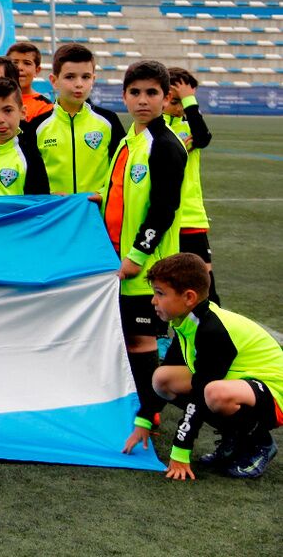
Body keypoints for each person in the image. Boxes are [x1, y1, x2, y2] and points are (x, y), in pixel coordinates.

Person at [104, 60, 187, 450]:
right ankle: (141, 409)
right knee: (127, 338)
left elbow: (164, 208)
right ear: (124, 96)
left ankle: (151, 415)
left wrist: (138, 255)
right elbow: (124, 197)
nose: (142, 100)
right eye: (135, 92)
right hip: (119, 262)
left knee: (141, 341)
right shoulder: (127, 141)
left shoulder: (165, 145)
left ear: (166, 97)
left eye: (152, 93)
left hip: (146, 267)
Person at [141, 254, 283, 480]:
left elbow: (200, 392)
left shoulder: (212, 331)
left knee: (213, 393)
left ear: (189, 297)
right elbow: (171, 374)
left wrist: (180, 451)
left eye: (160, 293)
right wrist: (144, 420)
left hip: (275, 392)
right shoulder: (186, 322)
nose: (153, 300)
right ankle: (234, 437)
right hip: (240, 383)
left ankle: (261, 443)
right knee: (163, 379)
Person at [29, 43, 125, 195]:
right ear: (54, 81)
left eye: (85, 77)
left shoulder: (108, 121)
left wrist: (104, 194)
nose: (79, 84)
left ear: (93, 79)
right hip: (55, 213)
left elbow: (122, 169)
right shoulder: (37, 125)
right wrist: (47, 195)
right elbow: (29, 176)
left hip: (96, 213)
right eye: (70, 77)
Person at [164, 67, 220, 304]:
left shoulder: (190, 128)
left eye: (183, 102)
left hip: (190, 218)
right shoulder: (151, 130)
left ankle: (210, 334)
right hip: (163, 219)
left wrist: (189, 100)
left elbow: (204, 136)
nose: (178, 108)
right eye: (174, 100)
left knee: (205, 287)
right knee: (164, 283)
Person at [5, 41, 54, 121]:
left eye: (27, 63)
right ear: (6, 68)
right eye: (15, 63)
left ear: (37, 70)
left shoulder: (45, 107)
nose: (20, 67)